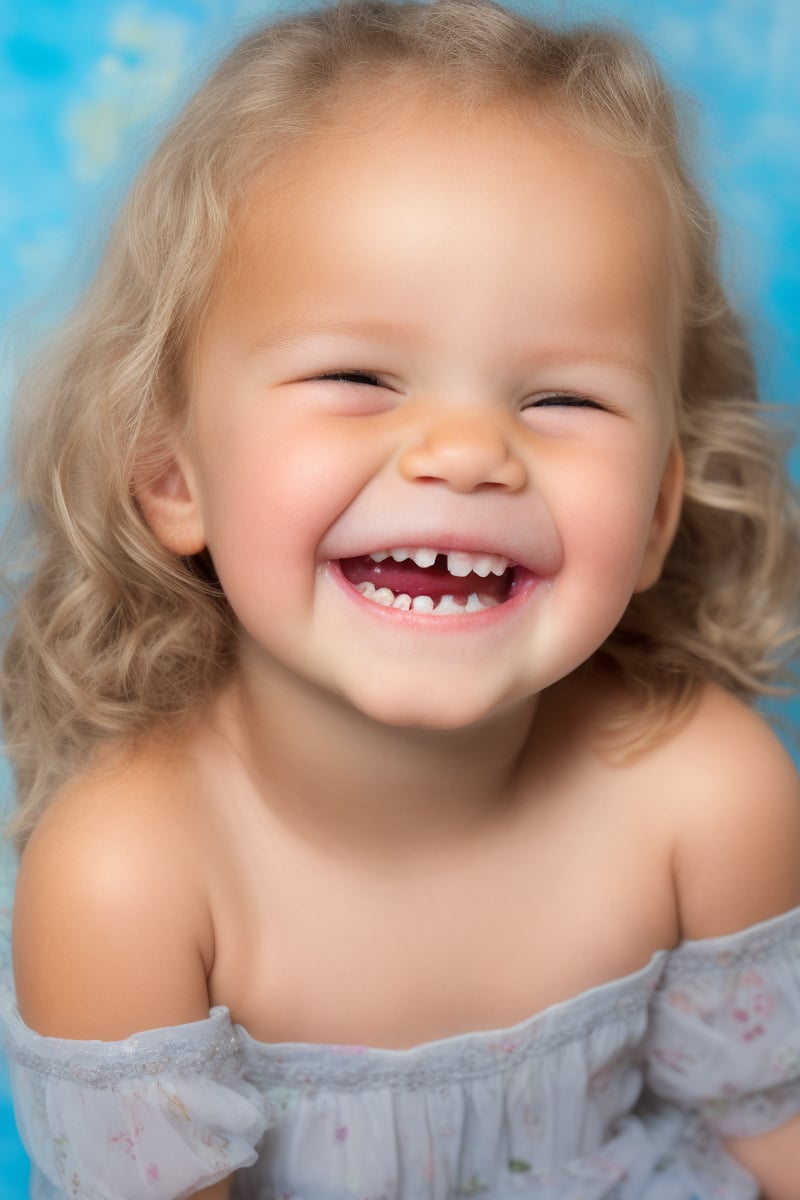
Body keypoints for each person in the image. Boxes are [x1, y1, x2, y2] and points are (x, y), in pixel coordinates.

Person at [2, 0, 800, 1196]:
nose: (466, 451)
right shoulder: (126, 876)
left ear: (650, 518)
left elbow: (772, 1134)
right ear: (173, 478)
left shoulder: (708, 792)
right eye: (358, 376)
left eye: (561, 399)